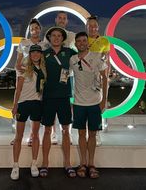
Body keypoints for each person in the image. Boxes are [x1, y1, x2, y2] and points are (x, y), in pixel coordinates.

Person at [70, 32, 108, 179]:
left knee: (92, 134)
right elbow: (66, 78)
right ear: (75, 43)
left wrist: (104, 100)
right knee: (80, 134)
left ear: (88, 42)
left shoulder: (97, 57)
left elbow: (105, 78)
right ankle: (83, 164)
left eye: (84, 40)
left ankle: (91, 164)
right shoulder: (72, 59)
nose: (81, 43)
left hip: (94, 102)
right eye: (78, 41)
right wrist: (70, 101)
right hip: (79, 103)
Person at [40, 26, 77, 178]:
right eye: (53, 35)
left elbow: (85, 57)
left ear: (63, 38)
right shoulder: (44, 54)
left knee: (65, 131)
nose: (56, 38)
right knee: (47, 130)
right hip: (48, 97)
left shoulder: (69, 52)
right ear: (49, 38)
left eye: (59, 35)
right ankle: (45, 163)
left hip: (64, 97)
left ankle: (68, 163)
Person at [10, 45, 47, 180]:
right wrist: (15, 106)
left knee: (36, 135)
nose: (36, 54)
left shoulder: (43, 69)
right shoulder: (23, 68)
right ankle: (15, 165)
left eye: (38, 52)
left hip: (37, 104)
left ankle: (34, 164)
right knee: (18, 136)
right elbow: (18, 90)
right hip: (23, 104)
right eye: (33, 52)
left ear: (41, 54)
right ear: (30, 54)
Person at [12, 18, 47, 146]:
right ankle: (17, 136)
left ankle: (33, 136)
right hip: (25, 75)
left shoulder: (44, 45)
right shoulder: (23, 42)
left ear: (40, 29)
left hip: (39, 78)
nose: (34, 30)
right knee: (19, 99)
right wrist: (20, 70)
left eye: (37, 28)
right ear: (29, 30)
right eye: (32, 28)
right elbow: (18, 61)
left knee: (36, 104)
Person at [44, 11, 76, 144]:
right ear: (56, 19)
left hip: (68, 75)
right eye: (60, 18)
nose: (62, 20)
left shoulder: (73, 35)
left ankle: (67, 133)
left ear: (67, 21)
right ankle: (53, 133)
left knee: (68, 105)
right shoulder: (49, 35)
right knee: (52, 105)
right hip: (52, 75)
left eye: (64, 18)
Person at [86, 15, 110, 145]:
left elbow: (107, 59)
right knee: (85, 105)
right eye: (90, 26)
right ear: (86, 27)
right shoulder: (82, 39)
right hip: (84, 77)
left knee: (98, 105)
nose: (93, 28)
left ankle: (96, 133)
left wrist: (108, 74)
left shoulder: (104, 41)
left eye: (95, 25)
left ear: (98, 27)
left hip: (98, 77)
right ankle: (86, 133)